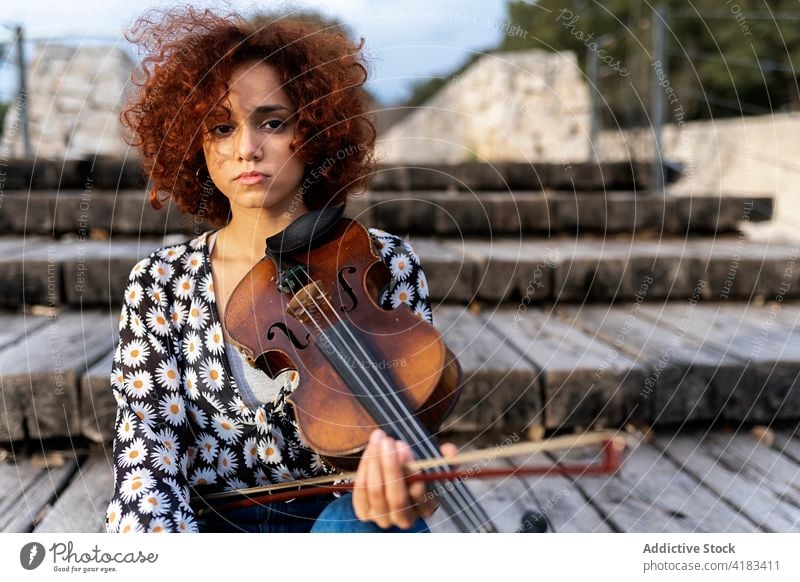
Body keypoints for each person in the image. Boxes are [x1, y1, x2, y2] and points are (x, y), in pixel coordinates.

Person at [106, 6, 457, 534]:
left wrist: (411, 492)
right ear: (196, 147)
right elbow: (146, 468)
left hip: (346, 522)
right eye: (222, 127)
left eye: (273, 122)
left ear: (313, 128)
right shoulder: (160, 284)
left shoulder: (382, 262)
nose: (247, 148)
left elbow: (408, 443)